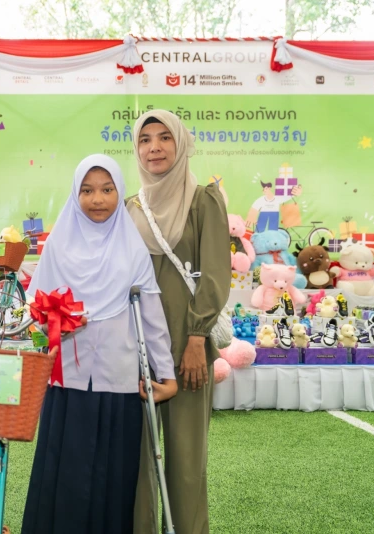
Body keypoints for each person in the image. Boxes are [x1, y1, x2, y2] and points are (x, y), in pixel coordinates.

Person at [21, 154, 177, 534]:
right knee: (64, 473)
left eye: (107, 190)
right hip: (66, 381)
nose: (97, 199)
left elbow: (152, 319)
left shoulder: (132, 248)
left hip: (118, 381)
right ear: (75, 195)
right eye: (87, 190)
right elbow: (34, 318)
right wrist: (49, 332)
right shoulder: (57, 246)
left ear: (119, 192)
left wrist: (167, 375)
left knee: (112, 478)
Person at [126, 110, 230, 534]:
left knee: (187, 461)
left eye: (165, 137)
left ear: (181, 143)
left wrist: (195, 338)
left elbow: (216, 273)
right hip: (135, 346)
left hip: (188, 344)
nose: (154, 147)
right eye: (145, 139)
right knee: (135, 464)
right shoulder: (130, 206)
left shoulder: (203, 199)